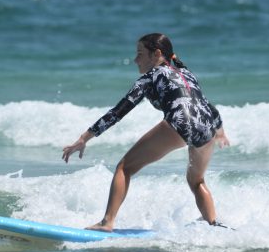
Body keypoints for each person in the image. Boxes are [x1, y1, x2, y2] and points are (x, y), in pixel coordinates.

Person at [62, 33, 230, 231]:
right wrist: (220, 131)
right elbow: (206, 104)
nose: (135, 60)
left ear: (157, 54)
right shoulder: (187, 74)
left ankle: (107, 222)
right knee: (196, 180)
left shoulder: (150, 77)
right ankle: (213, 226)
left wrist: (84, 138)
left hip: (179, 122)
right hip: (208, 127)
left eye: (140, 54)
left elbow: (118, 111)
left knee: (124, 167)